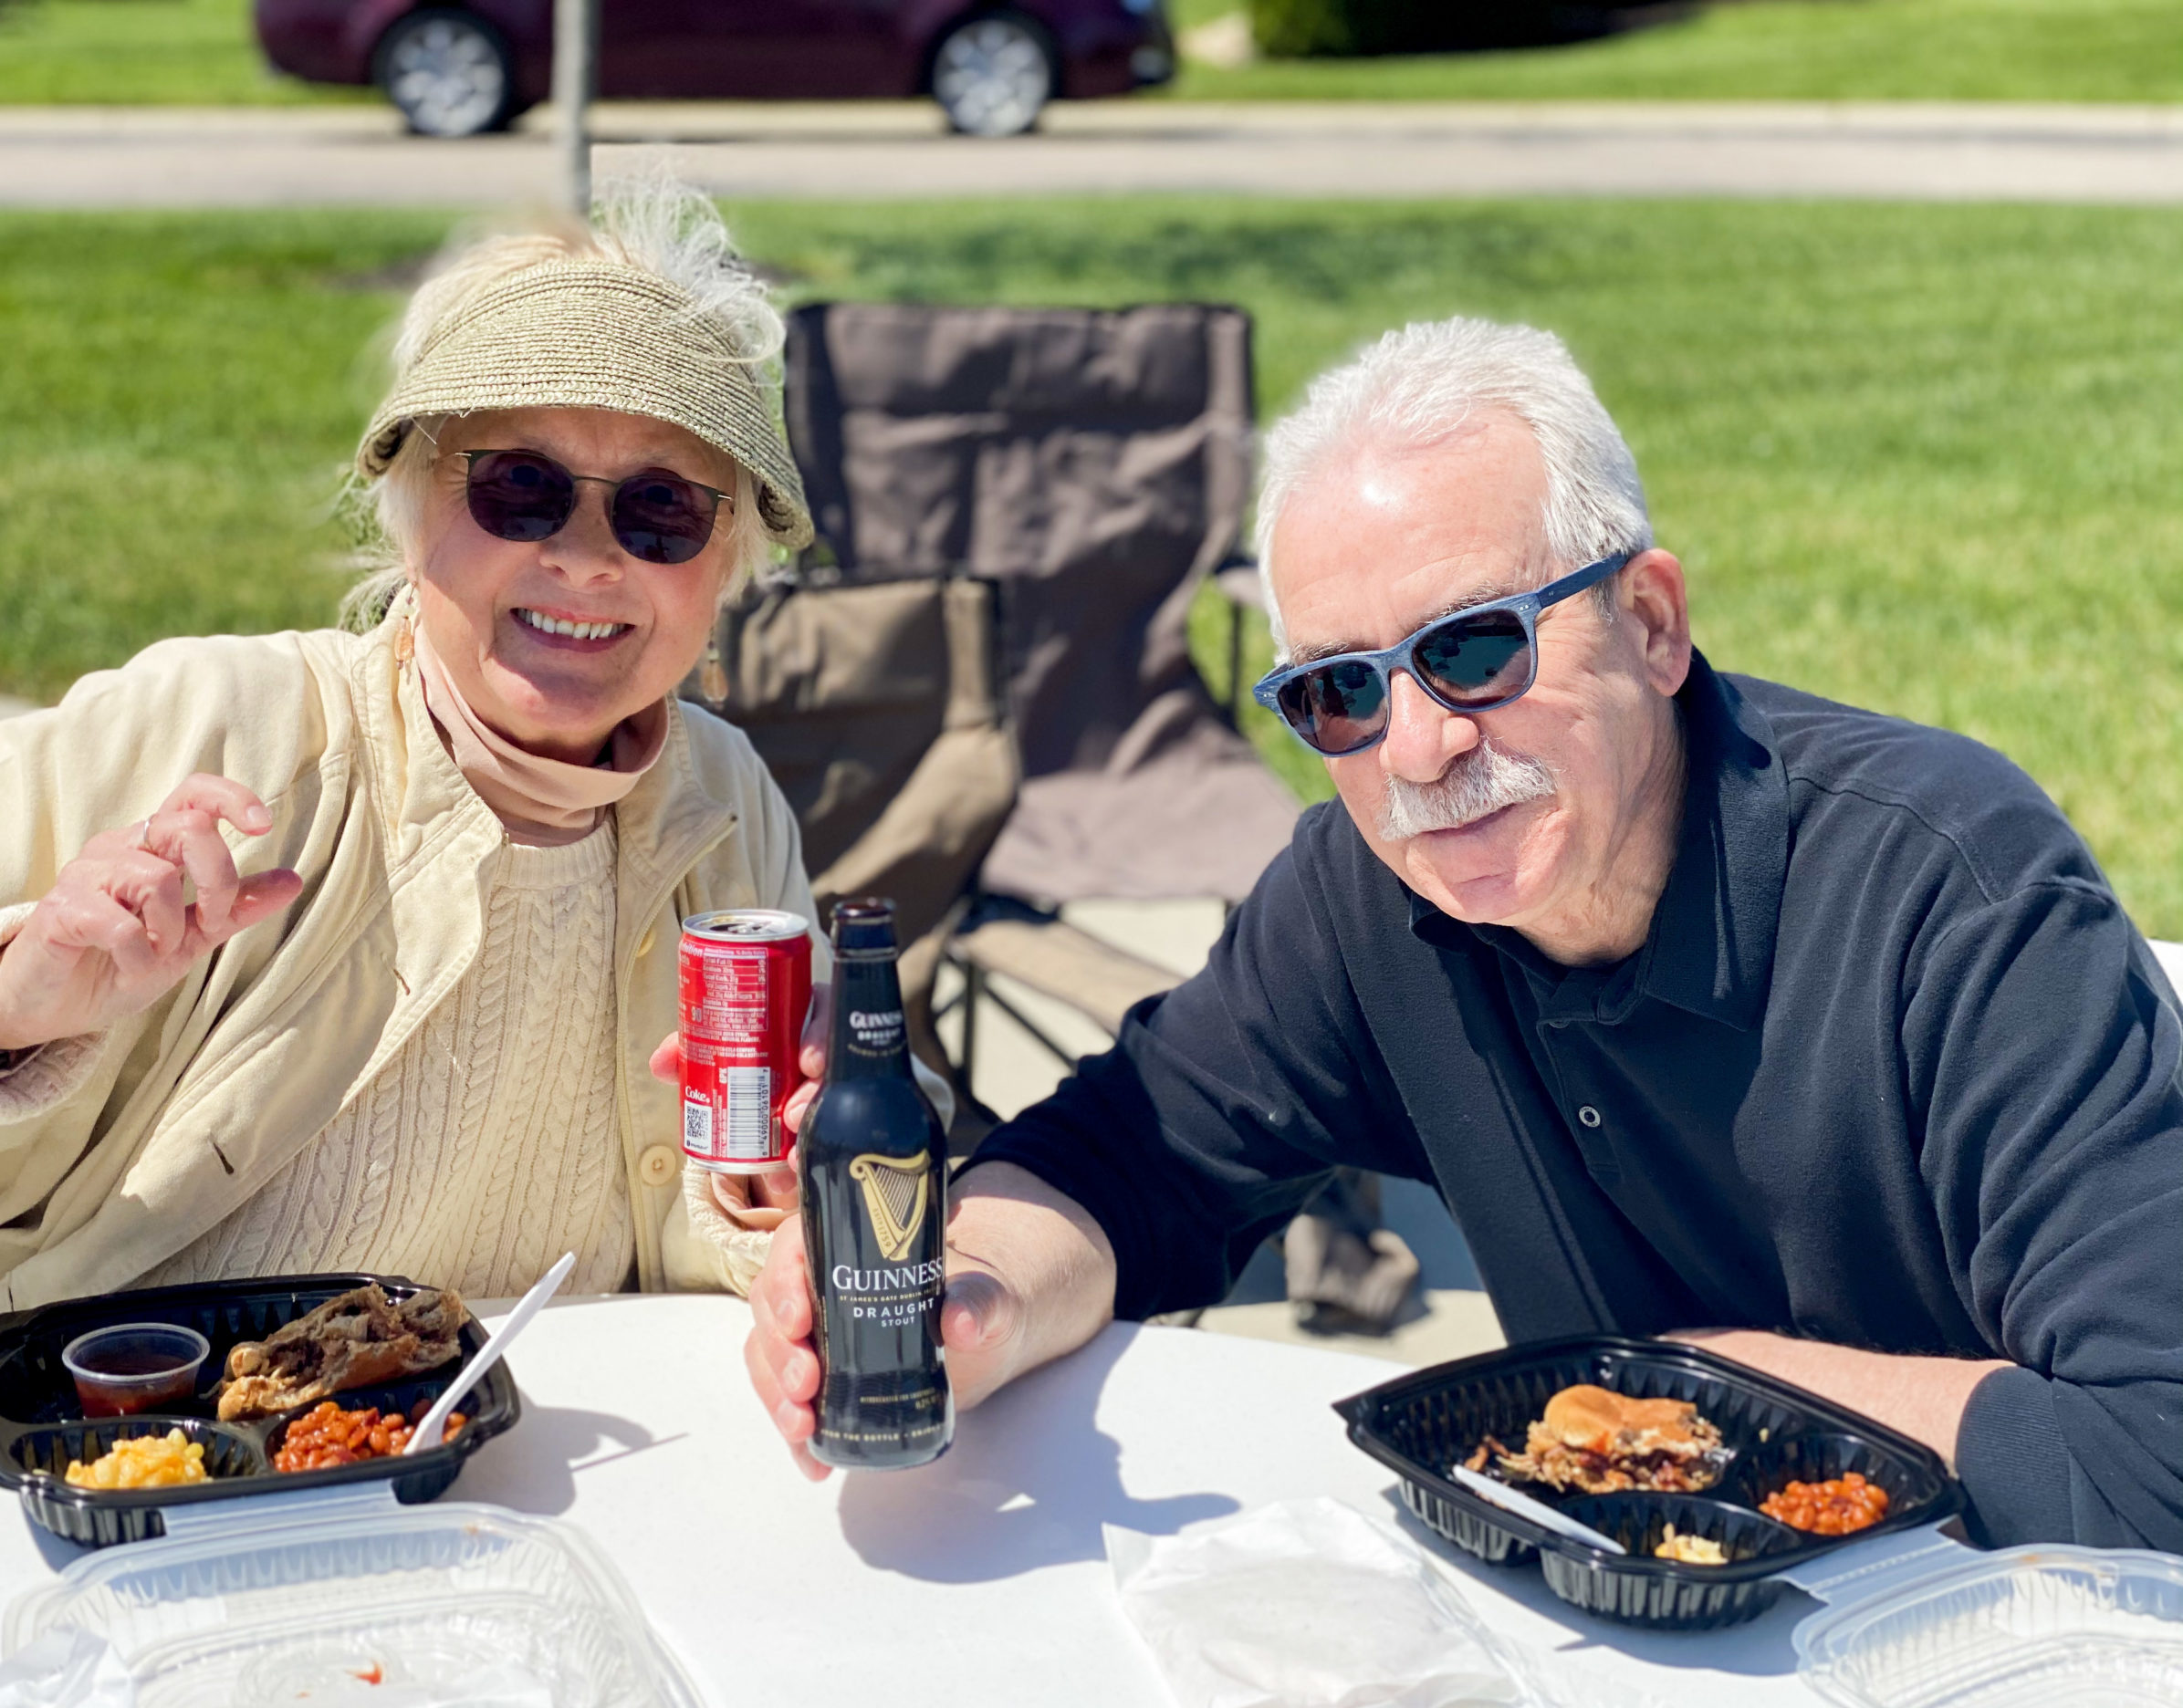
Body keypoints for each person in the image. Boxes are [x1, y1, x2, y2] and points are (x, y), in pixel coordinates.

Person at [745, 318, 2183, 1553]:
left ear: (1653, 625)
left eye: (1476, 648)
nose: (1419, 749)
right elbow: (1127, 1161)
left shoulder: (1952, 895)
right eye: (1337, 696)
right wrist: (974, 1301)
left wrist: (1694, 1387)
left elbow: (2160, 1457)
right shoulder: (1373, 897)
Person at [0, 182, 822, 1378]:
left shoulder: (722, 806)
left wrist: (794, 1182)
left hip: (514, 1464)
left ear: (729, 565)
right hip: (86, 1444)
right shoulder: (229, 727)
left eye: (661, 511)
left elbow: (759, 1208)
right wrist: (1, 995)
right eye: (518, 488)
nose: (582, 557)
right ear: (414, 514)